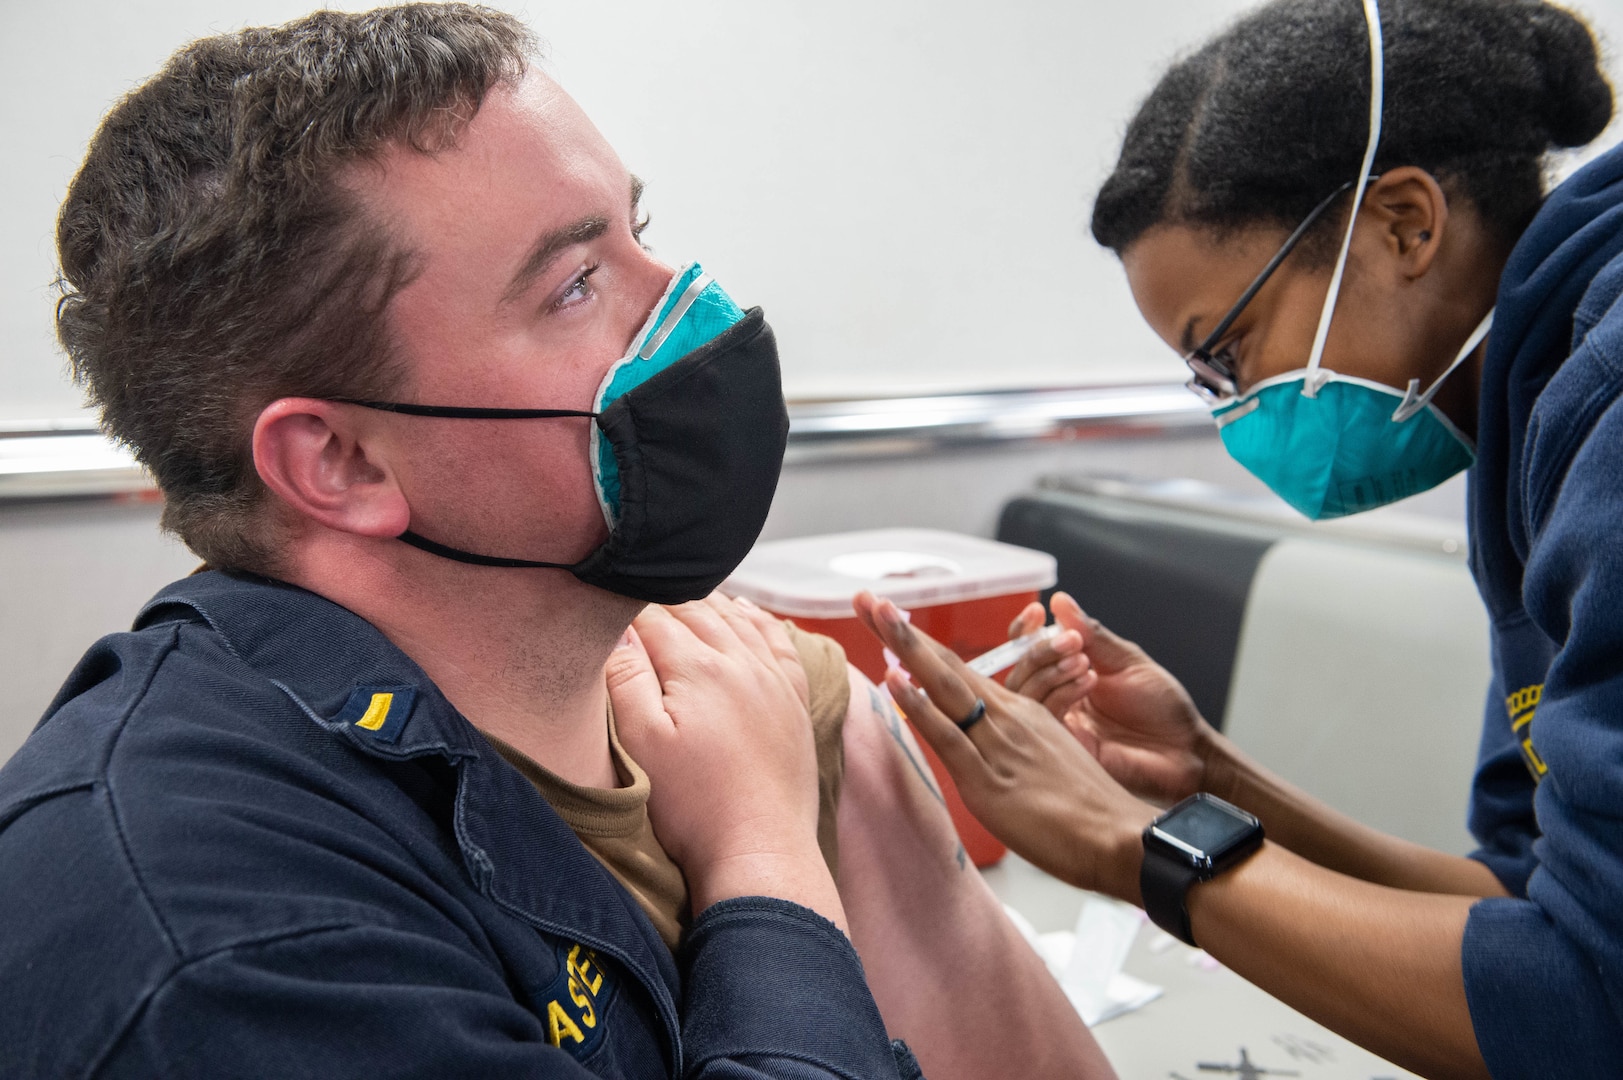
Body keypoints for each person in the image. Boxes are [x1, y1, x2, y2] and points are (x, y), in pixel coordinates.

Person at [0, 6, 1117, 1078]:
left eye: (641, 234)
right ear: (342, 463)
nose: (695, 308)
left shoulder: (760, 692)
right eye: (575, 283)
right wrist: (762, 854)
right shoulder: (217, 935)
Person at [849, 1, 1622, 1079]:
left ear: (1405, 223)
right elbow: (1524, 896)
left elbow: (1591, 1003)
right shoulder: (1531, 425)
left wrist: (1126, 843)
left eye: (1233, 349)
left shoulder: (1609, 409)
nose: (1240, 411)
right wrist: (1207, 778)